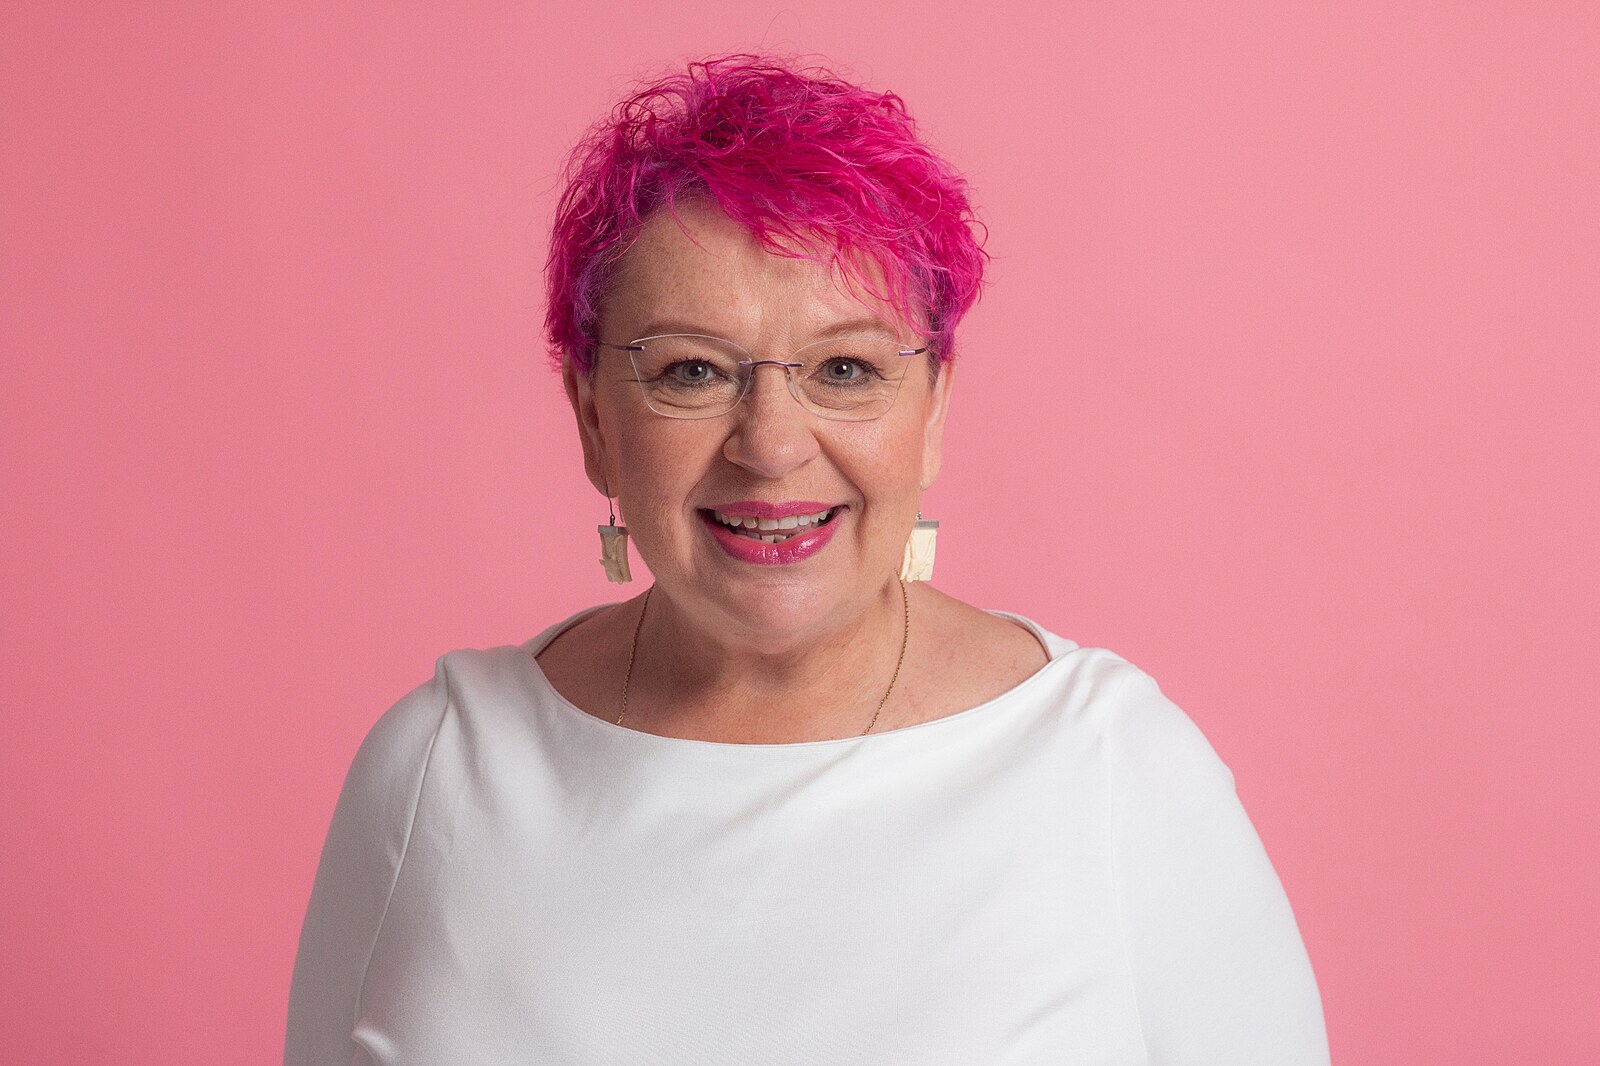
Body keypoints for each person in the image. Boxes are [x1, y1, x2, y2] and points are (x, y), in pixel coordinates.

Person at [285, 54, 1329, 1064]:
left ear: (933, 408)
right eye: (692, 371)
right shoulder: (436, 767)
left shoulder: (1113, 769)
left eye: (845, 368)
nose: (772, 446)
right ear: (592, 416)